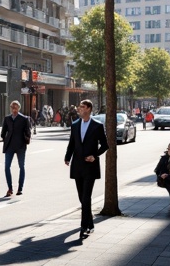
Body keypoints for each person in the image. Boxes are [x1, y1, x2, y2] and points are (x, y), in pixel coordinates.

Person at [64, 99, 108, 239]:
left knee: (86, 196)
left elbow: (105, 145)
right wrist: (67, 157)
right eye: (79, 107)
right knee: (81, 197)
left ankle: (84, 226)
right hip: (77, 166)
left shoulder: (97, 126)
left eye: (82, 107)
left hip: (90, 166)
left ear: (88, 108)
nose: (79, 109)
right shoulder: (75, 124)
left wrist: (94, 156)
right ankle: (90, 223)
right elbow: (72, 143)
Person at [1, 100, 32, 197]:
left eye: (16, 107)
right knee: (6, 167)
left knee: (21, 167)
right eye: (12, 107)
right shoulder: (7, 119)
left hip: (20, 146)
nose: (14, 109)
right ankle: (10, 188)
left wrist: (25, 139)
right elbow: (3, 132)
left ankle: (20, 188)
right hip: (9, 146)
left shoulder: (24, 119)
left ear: (19, 108)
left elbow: (28, 132)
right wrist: (5, 139)